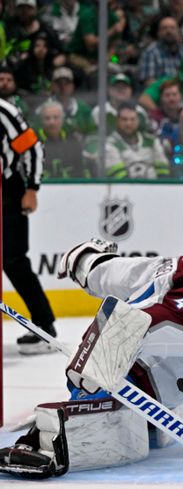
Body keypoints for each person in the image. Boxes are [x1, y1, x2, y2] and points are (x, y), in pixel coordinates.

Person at [0, 218, 183, 478]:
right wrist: (117, 335)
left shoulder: (174, 269)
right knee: (106, 357)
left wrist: (86, 261)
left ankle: (99, 399)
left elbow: (115, 273)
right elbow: (148, 304)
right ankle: (59, 433)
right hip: (132, 368)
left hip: (138, 365)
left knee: (118, 338)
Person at [0, 96, 57, 355]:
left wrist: (32, 188)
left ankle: (44, 327)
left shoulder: (4, 111)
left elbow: (32, 148)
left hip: (6, 193)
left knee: (14, 260)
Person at [104, 102, 170, 179]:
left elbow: (163, 170)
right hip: (123, 189)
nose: (128, 123)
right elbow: (118, 176)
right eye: (124, 119)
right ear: (117, 121)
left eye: (132, 119)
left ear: (138, 120)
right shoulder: (109, 144)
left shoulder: (152, 141)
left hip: (154, 188)